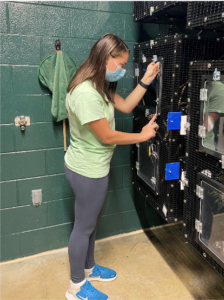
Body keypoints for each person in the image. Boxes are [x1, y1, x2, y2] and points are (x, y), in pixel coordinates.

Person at [64, 33, 159, 300]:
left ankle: (89, 268)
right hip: (86, 171)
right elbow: (107, 136)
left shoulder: (99, 85)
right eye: (120, 64)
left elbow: (127, 106)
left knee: (90, 224)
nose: (122, 70)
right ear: (106, 58)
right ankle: (76, 287)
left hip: (95, 168)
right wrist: (141, 136)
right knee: (83, 228)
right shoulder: (85, 93)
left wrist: (146, 80)